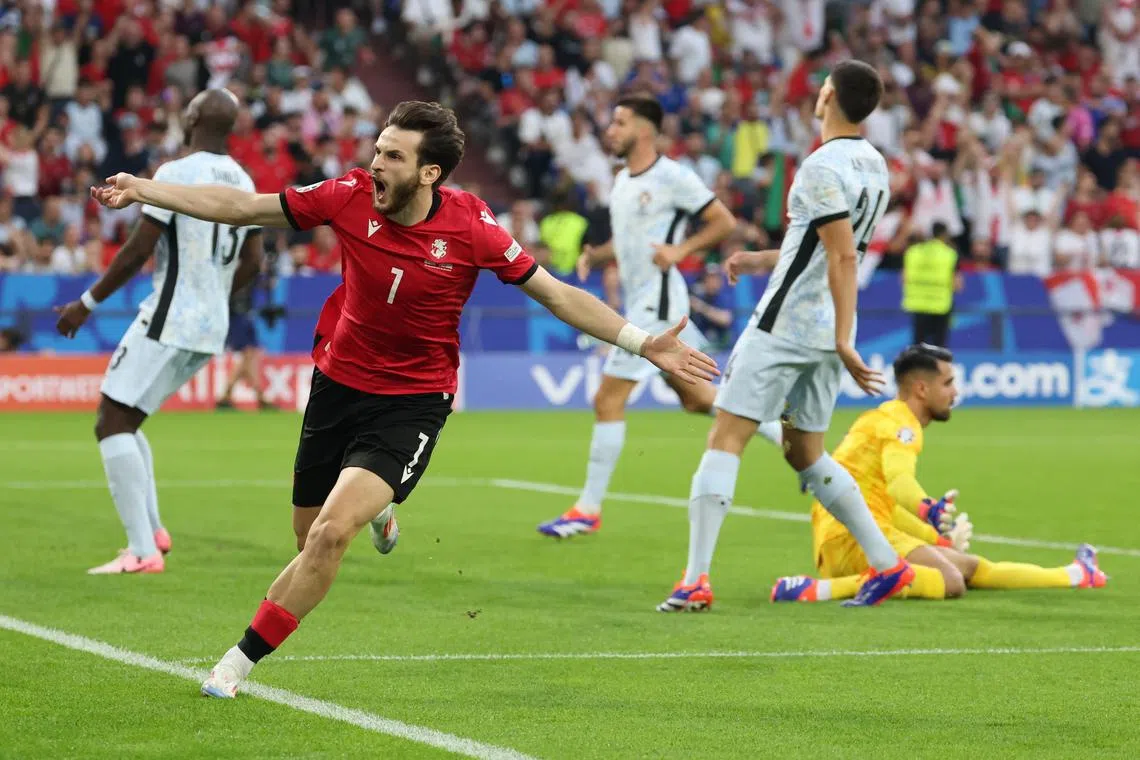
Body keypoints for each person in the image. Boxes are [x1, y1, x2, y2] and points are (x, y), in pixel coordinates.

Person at [90, 100, 718, 698]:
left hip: (413, 400)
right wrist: (147, 188)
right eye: (377, 150)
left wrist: (642, 343)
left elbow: (556, 294)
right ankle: (382, 509)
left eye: (392, 156)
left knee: (331, 535)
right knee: (307, 534)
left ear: (429, 172)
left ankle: (236, 662)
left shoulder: (472, 225)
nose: (375, 165)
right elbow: (241, 206)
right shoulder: (348, 196)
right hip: (337, 385)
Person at [656, 60, 914, 612]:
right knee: (806, 453)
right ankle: (890, 565)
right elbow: (829, 249)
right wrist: (763, 259)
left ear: (828, 96)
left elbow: (843, 255)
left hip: (786, 326)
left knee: (726, 437)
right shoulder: (875, 165)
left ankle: (695, 579)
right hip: (822, 332)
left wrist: (847, 340)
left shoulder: (820, 166)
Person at [537, 94, 781, 539]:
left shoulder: (672, 176)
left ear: (644, 131)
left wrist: (682, 251)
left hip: (661, 304)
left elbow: (723, 222)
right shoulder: (623, 180)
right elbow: (631, 241)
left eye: (619, 122)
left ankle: (588, 509)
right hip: (644, 300)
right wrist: (599, 252)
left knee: (607, 399)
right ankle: (787, 438)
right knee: (696, 398)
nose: (610, 130)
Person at [54, 89, 263, 575]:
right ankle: (154, 534)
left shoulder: (174, 174)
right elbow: (253, 261)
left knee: (111, 421)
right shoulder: (244, 180)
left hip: (171, 316)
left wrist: (86, 304)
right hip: (212, 324)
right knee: (128, 417)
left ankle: (142, 550)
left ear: (190, 118)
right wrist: (213, 292)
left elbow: (136, 250)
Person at [771, 344, 1107, 603]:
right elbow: (900, 482)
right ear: (921, 389)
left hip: (850, 535)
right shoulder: (901, 425)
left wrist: (937, 538)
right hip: (848, 540)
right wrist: (928, 508)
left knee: (969, 566)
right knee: (951, 581)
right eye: (948, 383)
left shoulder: (882, 418)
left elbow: (883, 502)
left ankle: (1077, 574)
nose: (955, 392)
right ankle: (819, 590)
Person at [216, 279, 272, 410]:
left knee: (251, 354)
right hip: (235, 314)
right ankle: (259, 396)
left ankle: (227, 396)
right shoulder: (236, 267)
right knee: (248, 354)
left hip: (246, 313)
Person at [902, 221, 958, 347]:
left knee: (918, 347)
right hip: (941, 306)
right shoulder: (949, 254)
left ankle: (917, 366)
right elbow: (957, 284)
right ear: (944, 235)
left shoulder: (913, 252)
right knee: (939, 348)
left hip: (918, 304)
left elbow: (904, 278)